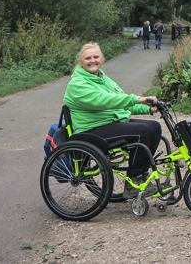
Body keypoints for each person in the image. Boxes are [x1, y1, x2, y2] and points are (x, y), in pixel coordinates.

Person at [63, 42, 164, 198]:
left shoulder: (102, 78)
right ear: (80, 62)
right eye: (88, 58)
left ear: (101, 59)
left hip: (108, 122)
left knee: (154, 127)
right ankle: (133, 181)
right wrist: (138, 98)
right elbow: (106, 101)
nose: (92, 60)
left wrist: (148, 108)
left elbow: (121, 102)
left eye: (96, 57)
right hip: (90, 130)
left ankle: (141, 175)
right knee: (143, 132)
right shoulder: (77, 84)